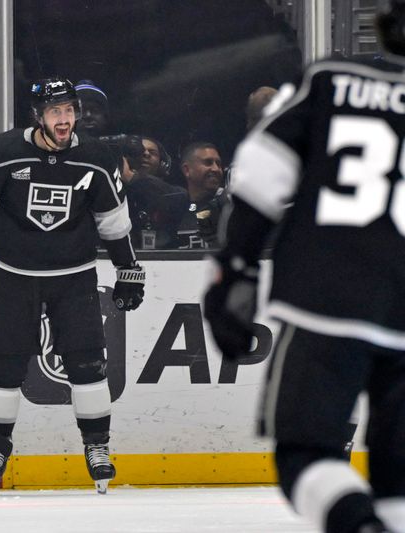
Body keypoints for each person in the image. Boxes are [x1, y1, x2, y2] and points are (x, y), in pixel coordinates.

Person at [202, 2, 405, 531]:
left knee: (305, 455)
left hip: (327, 294)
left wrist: (235, 270)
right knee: (399, 475)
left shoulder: (330, 81)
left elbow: (258, 176)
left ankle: (359, 525)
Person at [0, 77, 146, 495]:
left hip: (75, 275)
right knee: (5, 364)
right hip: (15, 274)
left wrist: (128, 270)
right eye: (56, 111)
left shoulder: (96, 157)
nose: (64, 119)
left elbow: (113, 221)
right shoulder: (4, 152)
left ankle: (97, 446)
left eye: (69, 110)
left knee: (87, 362)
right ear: (38, 116)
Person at [119, 135, 187, 249]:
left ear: (163, 163)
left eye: (152, 152)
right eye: (138, 152)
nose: (145, 154)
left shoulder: (176, 193)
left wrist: (132, 177)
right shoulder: (113, 190)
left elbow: (179, 198)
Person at [176, 142, 228, 249]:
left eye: (218, 164)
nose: (216, 169)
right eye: (208, 163)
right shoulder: (175, 208)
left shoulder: (229, 205)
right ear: (187, 170)